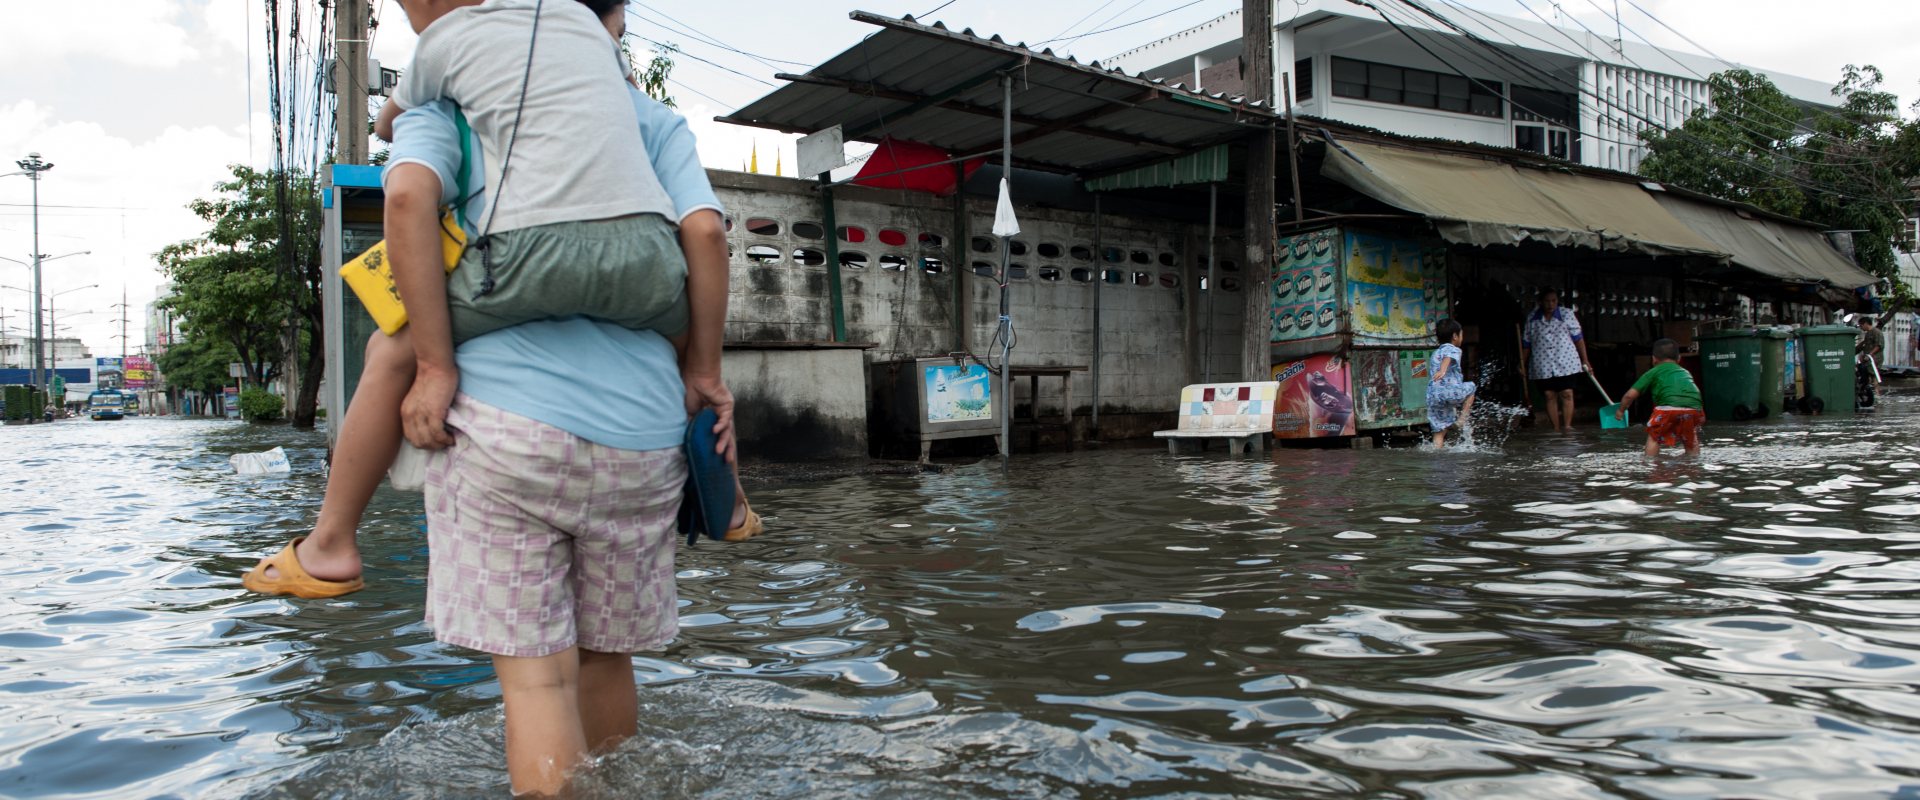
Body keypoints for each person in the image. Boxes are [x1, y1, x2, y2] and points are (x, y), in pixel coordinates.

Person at [243, 0, 758, 599]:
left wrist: (437, 365)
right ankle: (731, 498)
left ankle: (331, 540)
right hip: (642, 300)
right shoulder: (646, 113)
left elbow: (402, 179)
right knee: (694, 367)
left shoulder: (448, 80)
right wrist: (702, 366)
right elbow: (705, 233)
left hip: (515, 276)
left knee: (391, 348)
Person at [1615, 338, 1704, 456]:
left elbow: (1629, 396)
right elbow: (1693, 394)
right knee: (1690, 437)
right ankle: (1694, 462)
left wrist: (1621, 411)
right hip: (1694, 410)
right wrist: (1700, 415)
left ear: (1654, 359)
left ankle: (1650, 462)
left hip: (1667, 409)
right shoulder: (1685, 372)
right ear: (1679, 359)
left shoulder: (1654, 371)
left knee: (1654, 436)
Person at [1520, 289, 1591, 433]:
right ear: (1540, 302)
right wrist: (1522, 363)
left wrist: (1585, 360)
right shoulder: (1533, 318)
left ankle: (1567, 426)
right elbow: (1526, 343)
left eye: (1554, 301)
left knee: (1567, 393)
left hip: (1566, 362)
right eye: (1547, 301)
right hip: (1542, 363)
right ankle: (1556, 428)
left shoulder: (1566, 314)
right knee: (1549, 394)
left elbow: (1578, 338)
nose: (1550, 304)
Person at [1426, 319, 1477, 447]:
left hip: (1434, 396)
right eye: (1461, 334)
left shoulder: (1435, 353)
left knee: (1439, 431)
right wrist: (1443, 370)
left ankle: (1437, 453)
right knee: (1472, 387)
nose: (1461, 338)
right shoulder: (1453, 348)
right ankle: (1462, 419)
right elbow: (1448, 356)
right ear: (1455, 336)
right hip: (1450, 392)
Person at [1857, 315, 1883, 410]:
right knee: (1866, 376)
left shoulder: (1876, 332)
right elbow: (1864, 344)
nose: (1860, 327)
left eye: (1861, 325)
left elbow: (1879, 345)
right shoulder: (1868, 333)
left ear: (1866, 323)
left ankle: (1877, 395)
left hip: (1875, 358)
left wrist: (1870, 355)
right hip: (1867, 358)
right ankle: (1872, 394)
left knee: (1873, 376)